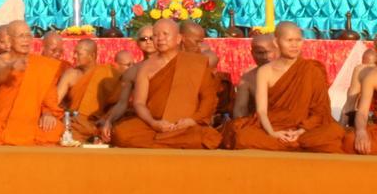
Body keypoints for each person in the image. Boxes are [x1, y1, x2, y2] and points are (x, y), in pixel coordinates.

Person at [228, 23, 342, 153]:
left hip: (306, 129)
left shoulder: (312, 70)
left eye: (298, 40)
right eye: (289, 40)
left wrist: (300, 131)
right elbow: (261, 111)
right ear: (276, 42)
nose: (294, 45)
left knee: (332, 133)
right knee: (244, 137)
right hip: (274, 126)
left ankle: (297, 141)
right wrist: (272, 133)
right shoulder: (265, 71)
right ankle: (294, 143)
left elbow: (320, 110)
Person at [111, 19, 220, 149]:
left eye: (165, 34)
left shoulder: (197, 63)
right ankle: (172, 142)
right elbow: (139, 103)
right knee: (121, 133)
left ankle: (163, 142)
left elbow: (208, 98)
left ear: (179, 38)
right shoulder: (145, 67)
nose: (160, 39)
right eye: (155, 35)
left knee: (206, 136)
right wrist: (153, 123)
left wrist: (192, 120)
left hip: (185, 125)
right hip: (155, 124)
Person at [0, 21, 64, 146]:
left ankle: (11, 139)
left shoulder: (42, 65)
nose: (26, 40)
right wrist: (10, 67)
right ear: (9, 40)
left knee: (55, 129)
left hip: (31, 123)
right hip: (3, 123)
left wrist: (48, 114)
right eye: (21, 36)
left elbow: (49, 97)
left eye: (28, 36)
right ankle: (16, 139)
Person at [98, 25, 156, 142]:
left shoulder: (170, 65)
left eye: (151, 38)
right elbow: (122, 103)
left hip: (166, 116)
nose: (148, 42)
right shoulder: (132, 71)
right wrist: (109, 120)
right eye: (143, 39)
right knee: (119, 133)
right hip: (141, 117)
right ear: (137, 43)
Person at [56, 39, 116, 142]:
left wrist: (106, 119)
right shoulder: (71, 74)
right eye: (74, 53)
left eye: (78, 54)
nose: (74, 57)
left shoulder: (106, 73)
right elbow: (55, 100)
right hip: (75, 123)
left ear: (92, 56)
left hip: (99, 123)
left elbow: (117, 103)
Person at [230, 33, 278, 121]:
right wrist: (242, 126)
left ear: (277, 51)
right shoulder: (247, 78)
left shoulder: (291, 72)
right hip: (259, 124)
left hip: (290, 123)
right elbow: (240, 109)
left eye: (268, 52)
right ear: (252, 53)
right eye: (260, 53)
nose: (264, 57)